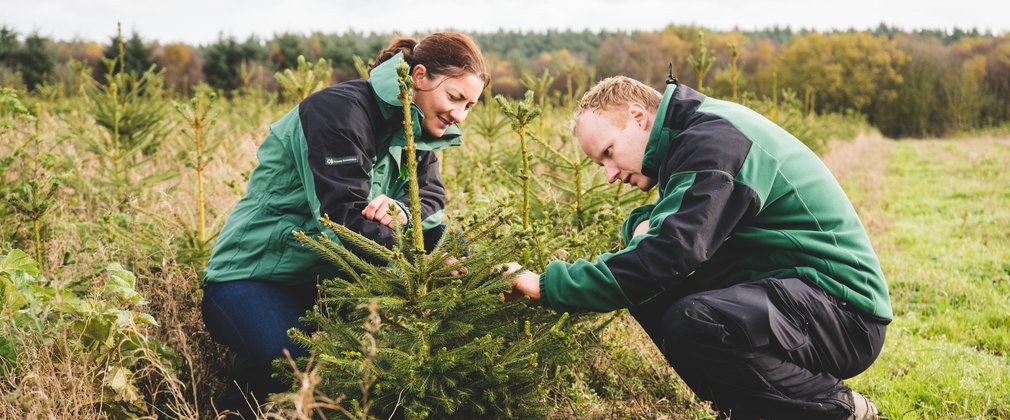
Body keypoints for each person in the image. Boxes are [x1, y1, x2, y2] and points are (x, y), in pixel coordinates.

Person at [506, 74, 890, 419]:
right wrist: (639, 226)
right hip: (800, 296)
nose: (609, 175)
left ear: (638, 117)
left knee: (692, 317)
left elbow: (671, 252)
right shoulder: (693, 137)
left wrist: (550, 285)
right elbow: (669, 235)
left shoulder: (714, 142)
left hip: (846, 313)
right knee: (653, 291)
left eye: (607, 152)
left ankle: (837, 409)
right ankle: (748, 407)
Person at [201, 32, 487, 405]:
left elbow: (431, 197)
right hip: (255, 276)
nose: (458, 115)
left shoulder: (416, 127)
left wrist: (399, 210)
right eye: (454, 98)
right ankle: (232, 409)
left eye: (469, 106)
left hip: (327, 275)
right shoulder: (337, 112)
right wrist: (424, 267)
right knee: (288, 358)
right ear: (419, 77)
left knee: (449, 240)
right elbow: (343, 222)